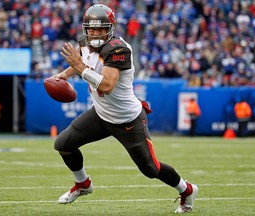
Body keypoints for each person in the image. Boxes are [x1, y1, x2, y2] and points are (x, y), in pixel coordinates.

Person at [53, 4, 198, 214]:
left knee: (151, 169)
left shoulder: (118, 49)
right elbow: (83, 61)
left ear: (110, 28)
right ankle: (83, 184)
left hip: (127, 120)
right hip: (101, 115)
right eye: (91, 29)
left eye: (100, 29)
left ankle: (187, 190)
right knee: (63, 144)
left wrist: (79, 67)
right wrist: (64, 75)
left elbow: (107, 85)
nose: (95, 33)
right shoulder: (85, 43)